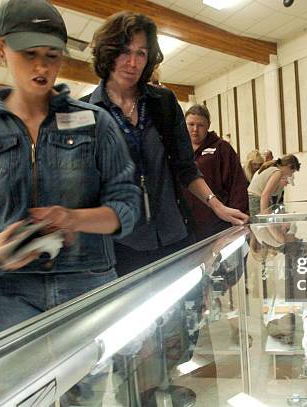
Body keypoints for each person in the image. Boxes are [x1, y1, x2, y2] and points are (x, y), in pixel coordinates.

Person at [0, 0, 141, 341]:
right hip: (5, 292)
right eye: (29, 53)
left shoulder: (95, 123)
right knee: (21, 393)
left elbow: (127, 205)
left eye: (52, 55)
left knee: (86, 391)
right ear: (2, 49)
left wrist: (74, 218)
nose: (41, 66)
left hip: (86, 280)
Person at [82, 11, 248, 276]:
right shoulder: (86, 113)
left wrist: (218, 206)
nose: (133, 62)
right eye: (125, 51)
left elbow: (186, 167)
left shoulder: (163, 102)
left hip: (174, 235)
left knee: (186, 312)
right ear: (107, 52)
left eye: (141, 53)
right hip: (121, 245)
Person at [183, 104, 248, 241]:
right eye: (191, 124)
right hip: (187, 226)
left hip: (216, 224)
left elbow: (237, 185)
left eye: (200, 125)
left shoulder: (222, 148)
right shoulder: (179, 151)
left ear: (208, 125)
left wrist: (238, 220)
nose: (195, 130)